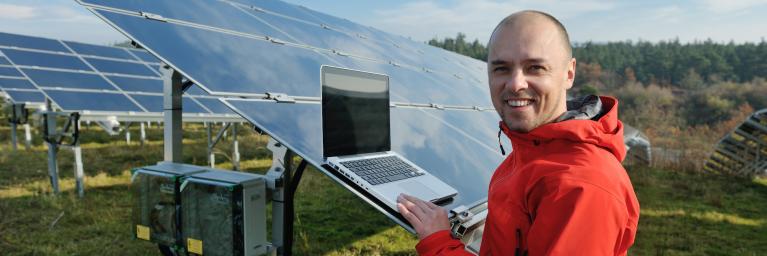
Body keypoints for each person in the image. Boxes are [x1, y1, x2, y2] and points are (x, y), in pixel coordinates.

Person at [396, 10, 640, 255]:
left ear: (569, 73)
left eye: (535, 67)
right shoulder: (533, 147)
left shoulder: (581, 186)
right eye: (501, 68)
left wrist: (439, 244)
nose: (515, 84)